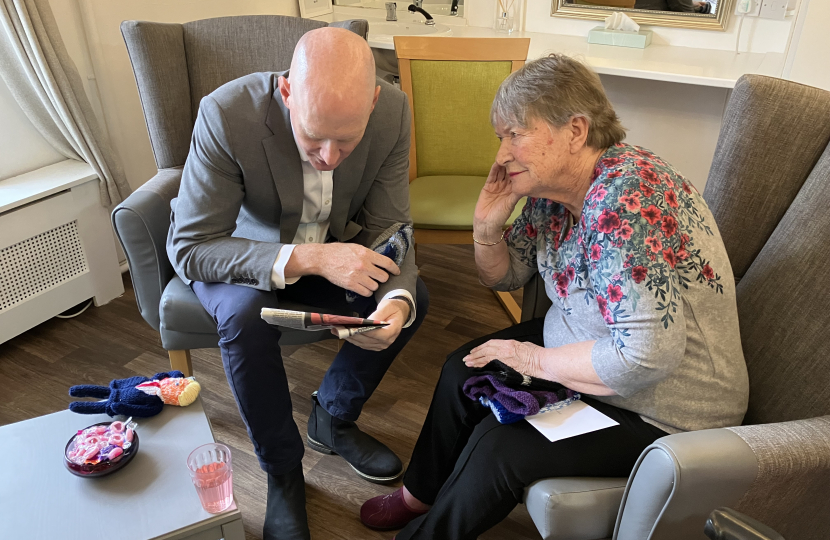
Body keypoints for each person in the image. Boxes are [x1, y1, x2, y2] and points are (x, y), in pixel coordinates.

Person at [360, 54, 748, 539]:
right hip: (592, 357)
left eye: (515, 134)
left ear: (576, 130)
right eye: (501, 137)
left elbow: (647, 357)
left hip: (663, 406)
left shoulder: (626, 199)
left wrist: (531, 358)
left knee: (501, 446)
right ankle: (419, 494)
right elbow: (505, 276)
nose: (501, 154)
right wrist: (485, 228)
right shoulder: (555, 194)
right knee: (464, 367)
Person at [167, 27, 428, 540]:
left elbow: (390, 230)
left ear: (373, 101)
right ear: (287, 93)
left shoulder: (394, 111)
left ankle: (332, 415)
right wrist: (312, 258)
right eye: (313, 137)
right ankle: (282, 471)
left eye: (346, 140)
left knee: (410, 295)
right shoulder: (226, 113)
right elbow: (192, 246)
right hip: (239, 255)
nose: (329, 156)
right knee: (246, 319)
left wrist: (394, 302)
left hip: (330, 248)